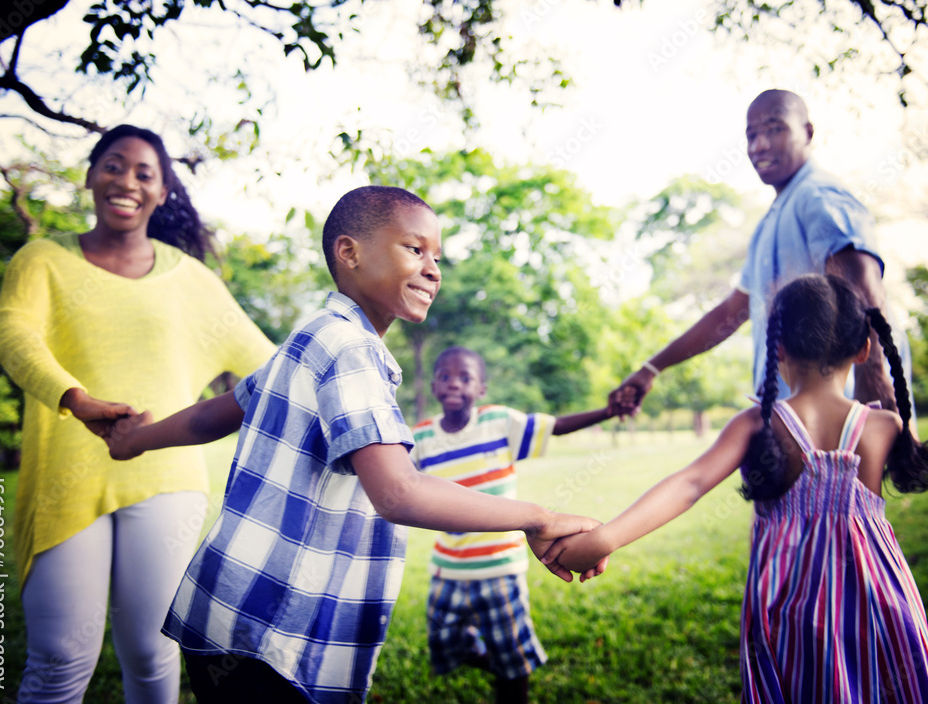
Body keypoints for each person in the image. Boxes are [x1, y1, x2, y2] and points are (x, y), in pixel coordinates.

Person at [103, 185, 606, 704]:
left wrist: (135, 440)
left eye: (438, 257)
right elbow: (398, 492)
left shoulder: (310, 337)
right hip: (272, 629)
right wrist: (537, 518)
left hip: (226, 606)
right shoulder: (350, 348)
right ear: (350, 252)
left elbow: (217, 411)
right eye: (415, 250)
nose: (434, 269)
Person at [545, 273, 928, 703]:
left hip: (792, 607)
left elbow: (690, 484)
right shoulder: (885, 426)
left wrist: (606, 537)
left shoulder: (759, 423)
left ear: (777, 347)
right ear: (865, 348)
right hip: (881, 600)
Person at [0, 125, 276, 702]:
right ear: (92, 175)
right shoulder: (42, 259)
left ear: (163, 191)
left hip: (167, 483)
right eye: (113, 166)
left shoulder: (191, 279)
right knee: (60, 659)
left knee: (151, 652)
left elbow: (268, 371)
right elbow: (12, 333)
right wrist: (76, 398)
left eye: (145, 173)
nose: (127, 182)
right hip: (64, 483)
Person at [612, 89, 912, 421]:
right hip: (792, 420)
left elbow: (863, 286)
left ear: (808, 133)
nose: (759, 145)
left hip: (842, 418)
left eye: (775, 129)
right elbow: (731, 311)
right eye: (751, 135)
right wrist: (652, 368)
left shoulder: (818, 196)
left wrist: (877, 384)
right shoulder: (770, 222)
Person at [410, 345, 612, 704]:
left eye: (465, 377)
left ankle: (511, 681)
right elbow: (392, 478)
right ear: (433, 386)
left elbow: (557, 427)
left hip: (500, 567)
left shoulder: (498, 422)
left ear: (481, 389)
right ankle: (501, 669)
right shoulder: (420, 438)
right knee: (446, 644)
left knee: (513, 660)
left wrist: (609, 410)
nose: (454, 383)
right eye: (444, 376)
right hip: (448, 569)